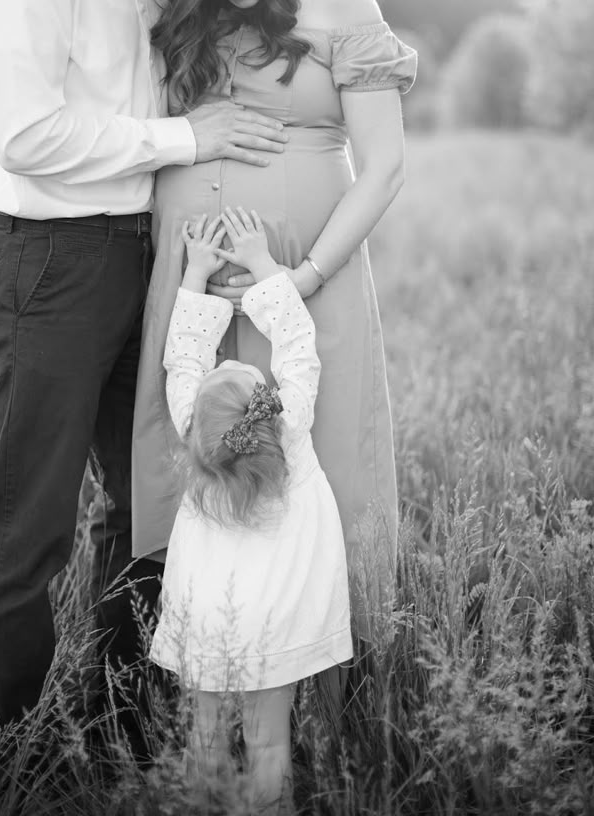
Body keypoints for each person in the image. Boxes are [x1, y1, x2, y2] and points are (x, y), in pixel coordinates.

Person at [0, 0, 287, 723]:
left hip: (134, 253)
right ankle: (0, 733)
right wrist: (188, 140)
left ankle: (122, 717)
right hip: (48, 262)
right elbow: (29, 136)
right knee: (34, 518)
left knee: (147, 496)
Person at [132, 0, 417, 645]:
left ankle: (336, 658)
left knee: (323, 454)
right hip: (193, 285)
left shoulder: (342, 7)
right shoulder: (179, 7)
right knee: (194, 447)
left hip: (305, 277)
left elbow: (385, 166)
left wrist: (306, 273)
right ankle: (199, 645)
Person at [150, 206, 352, 813]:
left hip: (209, 617)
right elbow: (296, 344)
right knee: (269, 743)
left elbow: (184, 361)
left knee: (204, 740)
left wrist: (195, 275)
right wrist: (264, 264)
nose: (231, 360)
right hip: (279, 618)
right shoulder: (287, 430)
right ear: (263, 405)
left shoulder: (196, 434)